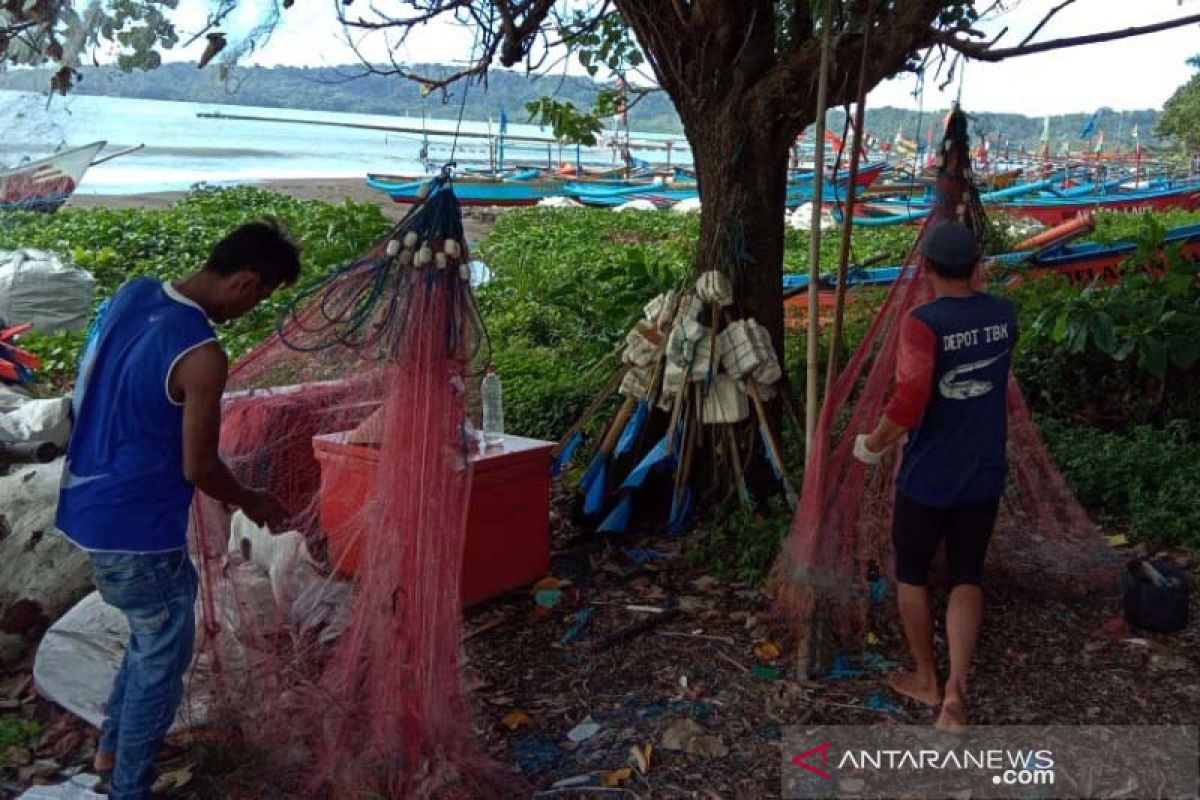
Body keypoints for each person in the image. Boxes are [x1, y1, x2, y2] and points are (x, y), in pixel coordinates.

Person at [56, 220, 300, 799]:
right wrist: (252, 501)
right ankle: (130, 788)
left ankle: (112, 751)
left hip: (85, 505)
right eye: (260, 297)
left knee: (148, 641)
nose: (252, 309)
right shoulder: (202, 354)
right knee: (162, 661)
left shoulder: (134, 294)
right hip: (138, 530)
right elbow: (199, 468)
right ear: (245, 282)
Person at [853, 220, 1017, 731]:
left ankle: (927, 677)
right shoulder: (1003, 315)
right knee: (968, 573)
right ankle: (955, 692)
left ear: (924, 268)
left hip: (927, 476)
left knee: (912, 572)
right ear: (975, 267)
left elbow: (909, 401)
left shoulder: (922, 323)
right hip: (983, 469)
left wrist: (873, 444)